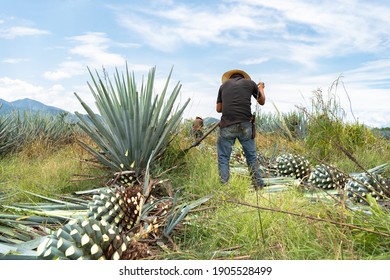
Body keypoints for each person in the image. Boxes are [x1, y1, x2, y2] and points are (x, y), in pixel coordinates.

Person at [216, 69, 266, 189]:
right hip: (245, 124)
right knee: (251, 157)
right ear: (244, 77)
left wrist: (230, 104)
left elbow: (218, 109)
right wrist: (261, 88)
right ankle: (258, 186)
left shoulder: (223, 86)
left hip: (227, 124)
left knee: (224, 157)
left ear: (229, 78)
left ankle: (224, 187)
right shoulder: (250, 83)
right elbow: (262, 101)